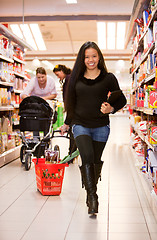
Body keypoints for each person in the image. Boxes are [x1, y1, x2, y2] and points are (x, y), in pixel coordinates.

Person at [60, 41, 127, 215]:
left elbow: (122, 100)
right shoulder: (74, 79)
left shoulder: (108, 78)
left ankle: (91, 192)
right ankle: (93, 197)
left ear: (99, 57)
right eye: (87, 57)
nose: (91, 60)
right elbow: (72, 104)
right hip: (80, 124)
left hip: (101, 126)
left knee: (95, 162)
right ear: (82, 59)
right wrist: (67, 123)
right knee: (87, 157)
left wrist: (110, 109)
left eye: (94, 56)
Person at [53, 64, 77, 160]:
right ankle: (72, 154)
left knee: (72, 133)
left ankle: (71, 155)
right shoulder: (70, 77)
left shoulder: (68, 79)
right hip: (74, 110)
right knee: (73, 132)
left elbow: (69, 96)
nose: (58, 77)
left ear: (62, 70)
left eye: (58, 74)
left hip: (73, 110)